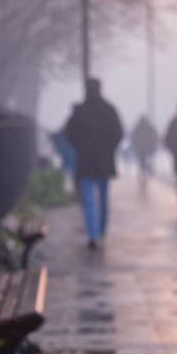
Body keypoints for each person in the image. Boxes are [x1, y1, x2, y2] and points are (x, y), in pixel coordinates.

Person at [65, 77, 124, 248]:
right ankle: (101, 230)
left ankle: (93, 233)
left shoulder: (80, 111)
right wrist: (109, 149)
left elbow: (69, 134)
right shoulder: (109, 110)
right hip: (104, 160)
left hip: (85, 160)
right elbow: (118, 133)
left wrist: (80, 147)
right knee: (103, 198)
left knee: (88, 199)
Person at [130, 114, 159, 185]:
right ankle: (145, 172)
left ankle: (143, 172)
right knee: (146, 161)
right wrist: (152, 147)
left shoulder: (138, 127)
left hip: (140, 149)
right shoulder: (149, 127)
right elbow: (154, 136)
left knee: (142, 162)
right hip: (147, 149)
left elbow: (133, 137)